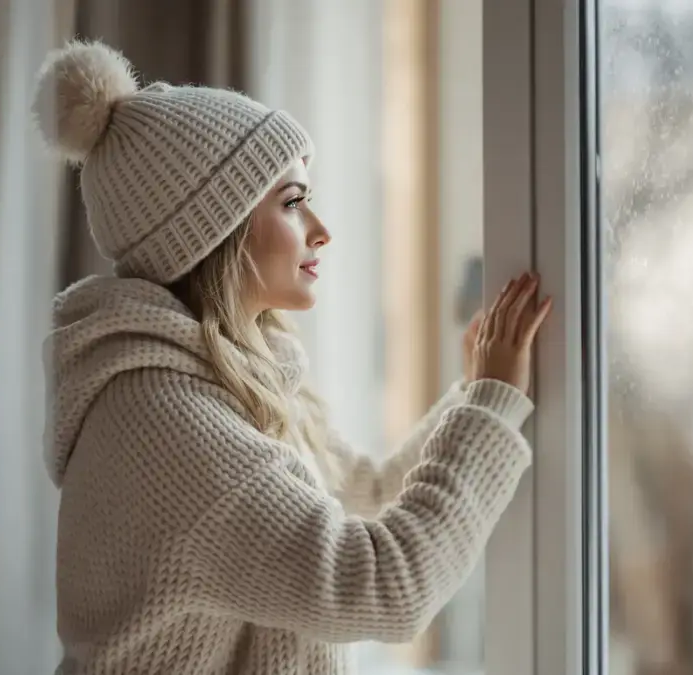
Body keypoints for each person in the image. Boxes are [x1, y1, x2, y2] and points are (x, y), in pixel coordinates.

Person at [34, 40, 552, 675]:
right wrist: (491, 409)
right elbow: (383, 586)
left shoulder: (238, 377)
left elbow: (369, 494)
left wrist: (476, 391)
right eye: (291, 200)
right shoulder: (163, 418)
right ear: (211, 227)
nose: (321, 228)